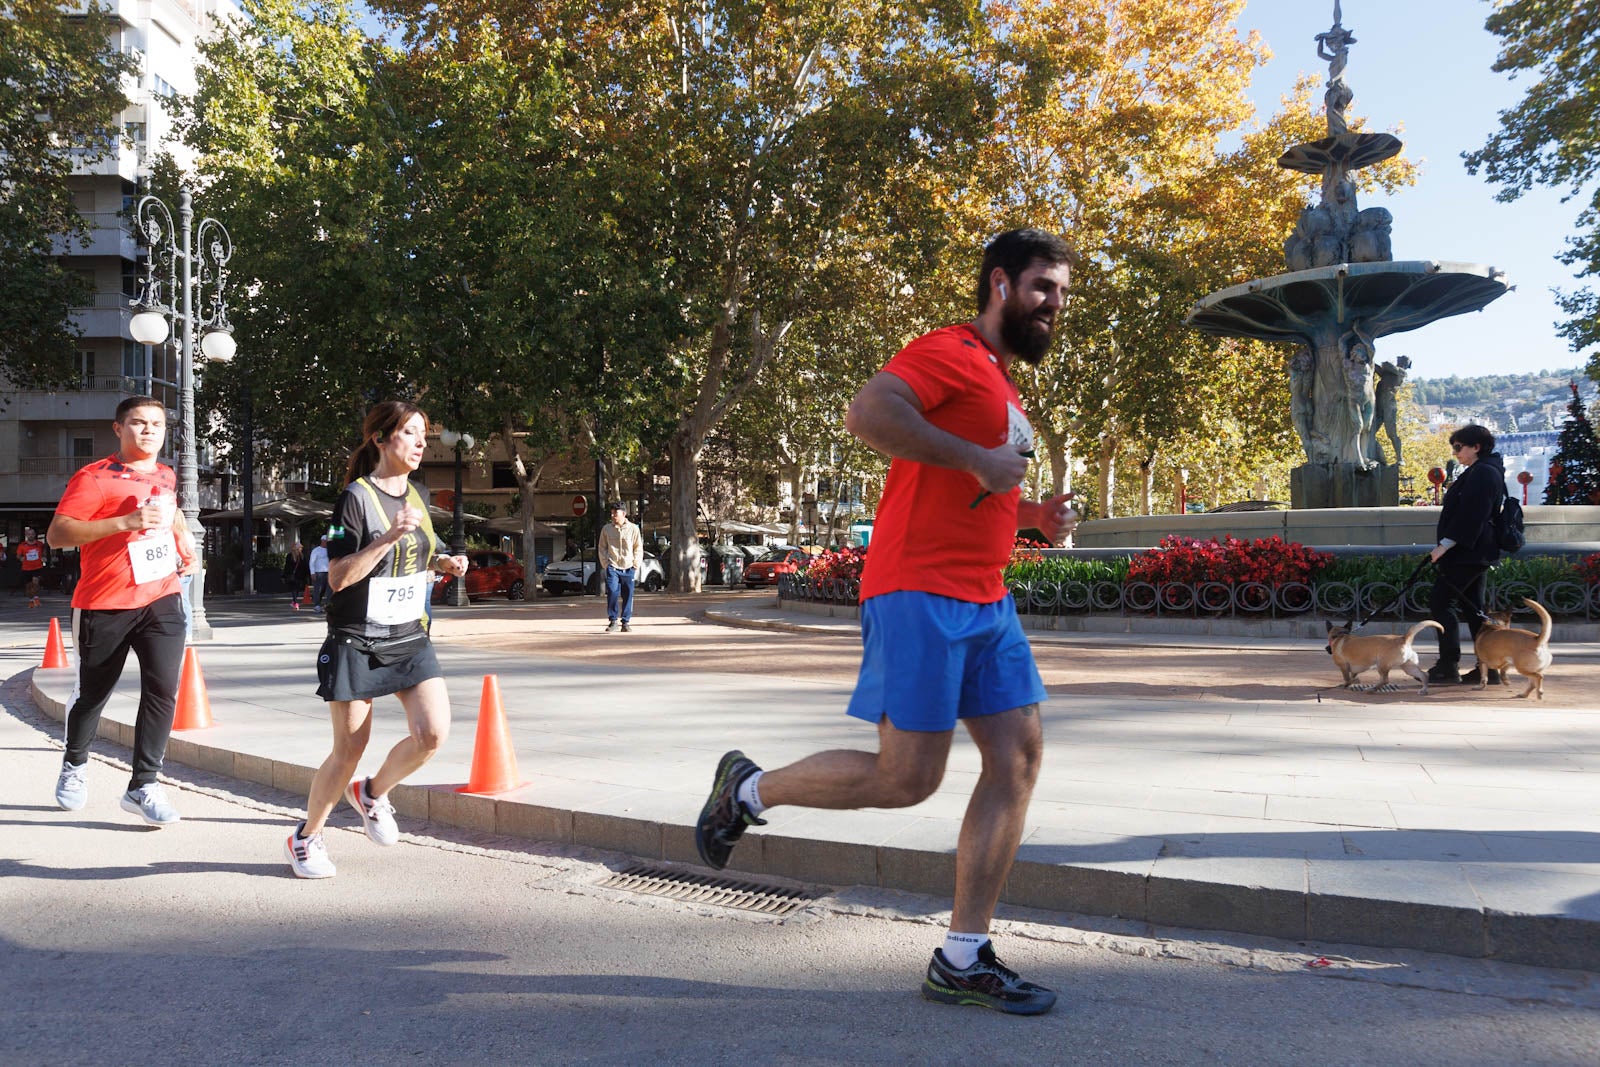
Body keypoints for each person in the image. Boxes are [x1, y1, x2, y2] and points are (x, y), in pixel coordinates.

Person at [694, 228, 1080, 1015]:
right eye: (1044, 287)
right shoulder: (950, 351)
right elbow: (868, 412)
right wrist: (976, 459)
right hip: (918, 591)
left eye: (1064, 294)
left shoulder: (1006, 388)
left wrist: (1034, 515)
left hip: (985, 596)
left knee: (1018, 759)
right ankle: (749, 788)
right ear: (1001, 284)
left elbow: (980, 500)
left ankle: (963, 956)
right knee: (908, 777)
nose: (1055, 305)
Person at [284, 400, 469, 879]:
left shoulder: (418, 494)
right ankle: (306, 839)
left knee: (432, 734)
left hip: (409, 634)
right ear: (381, 439)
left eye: (424, 434)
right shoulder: (355, 498)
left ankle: (371, 793)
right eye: (410, 433)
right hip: (357, 638)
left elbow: (423, 552)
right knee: (348, 750)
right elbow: (340, 576)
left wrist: (445, 562)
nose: (421, 442)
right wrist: (385, 538)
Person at [46, 395, 201, 825]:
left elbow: (170, 515)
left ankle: (143, 785)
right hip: (105, 602)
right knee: (94, 694)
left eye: (157, 423)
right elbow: (58, 534)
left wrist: (183, 541)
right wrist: (125, 523)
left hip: (162, 597)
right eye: (138, 422)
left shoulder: (167, 475)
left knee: (162, 690)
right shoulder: (93, 478)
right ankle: (75, 766)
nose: (149, 430)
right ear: (119, 429)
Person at [1426, 423, 1506, 685]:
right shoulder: (1483, 470)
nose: (1456, 452)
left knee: (1441, 602)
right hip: (1474, 552)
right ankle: (1489, 668)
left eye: (1459, 447)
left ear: (1476, 447)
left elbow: (1473, 515)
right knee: (1474, 609)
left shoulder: (1483, 473)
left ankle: (1448, 664)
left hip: (1467, 553)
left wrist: (1445, 545)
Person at [597, 501, 643, 633]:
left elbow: (638, 547)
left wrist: (635, 565)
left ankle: (625, 622)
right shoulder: (606, 529)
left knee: (628, 595)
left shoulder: (634, 529)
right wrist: (606, 564)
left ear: (624, 513)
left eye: (615, 513)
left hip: (629, 567)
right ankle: (613, 621)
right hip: (613, 567)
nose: (612, 515)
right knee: (612, 592)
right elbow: (602, 548)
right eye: (611, 513)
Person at [19, 525, 47, 606]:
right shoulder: (22, 545)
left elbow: (44, 552)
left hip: (37, 567)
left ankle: (36, 598)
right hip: (26, 567)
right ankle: (31, 600)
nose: (31, 535)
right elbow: (18, 555)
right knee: (29, 586)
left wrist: (44, 557)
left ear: (35, 535)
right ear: (26, 535)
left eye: (32, 534)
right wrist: (21, 558)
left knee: (35, 582)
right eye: (29, 534)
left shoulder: (39, 544)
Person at [308, 534, 331, 613]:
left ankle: (327, 605)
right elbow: (312, 562)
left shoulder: (330, 550)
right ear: (322, 541)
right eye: (326, 541)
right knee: (318, 589)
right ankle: (317, 605)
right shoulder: (316, 550)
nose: (327, 543)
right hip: (319, 572)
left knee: (329, 590)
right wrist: (312, 573)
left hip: (329, 572)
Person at [282, 540, 309, 606]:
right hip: (299, 576)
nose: (301, 549)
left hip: (293, 575)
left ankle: (294, 601)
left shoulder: (291, 556)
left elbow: (287, 566)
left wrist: (284, 575)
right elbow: (305, 566)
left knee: (294, 589)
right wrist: (307, 574)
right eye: (300, 547)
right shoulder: (302, 556)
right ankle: (295, 601)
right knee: (296, 589)